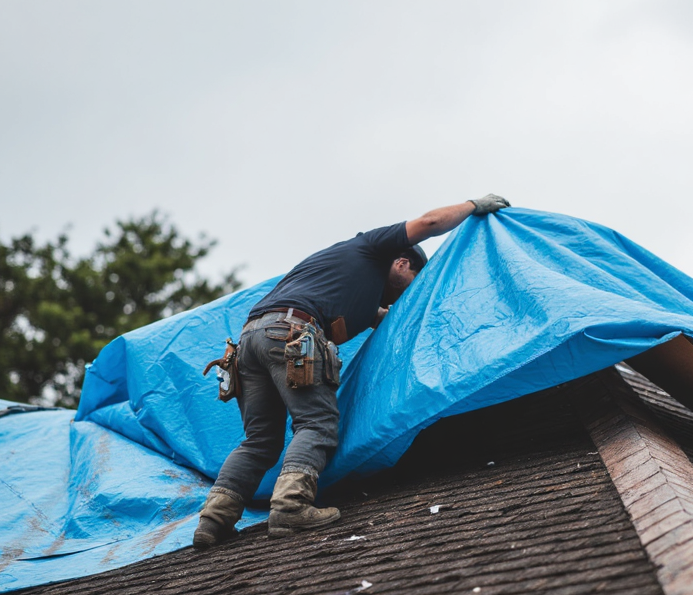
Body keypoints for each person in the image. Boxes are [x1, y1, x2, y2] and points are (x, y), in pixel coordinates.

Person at [193, 194, 511, 549]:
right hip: (288, 334)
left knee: (260, 442)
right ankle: (290, 507)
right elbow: (431, 224)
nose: (406, 296)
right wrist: (473, 205)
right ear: (402, 264)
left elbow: (376, 317)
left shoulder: (345, 278)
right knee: (315, 423)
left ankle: (213, 521)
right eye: (413, 284)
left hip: (249, 342)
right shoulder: (374, 247)